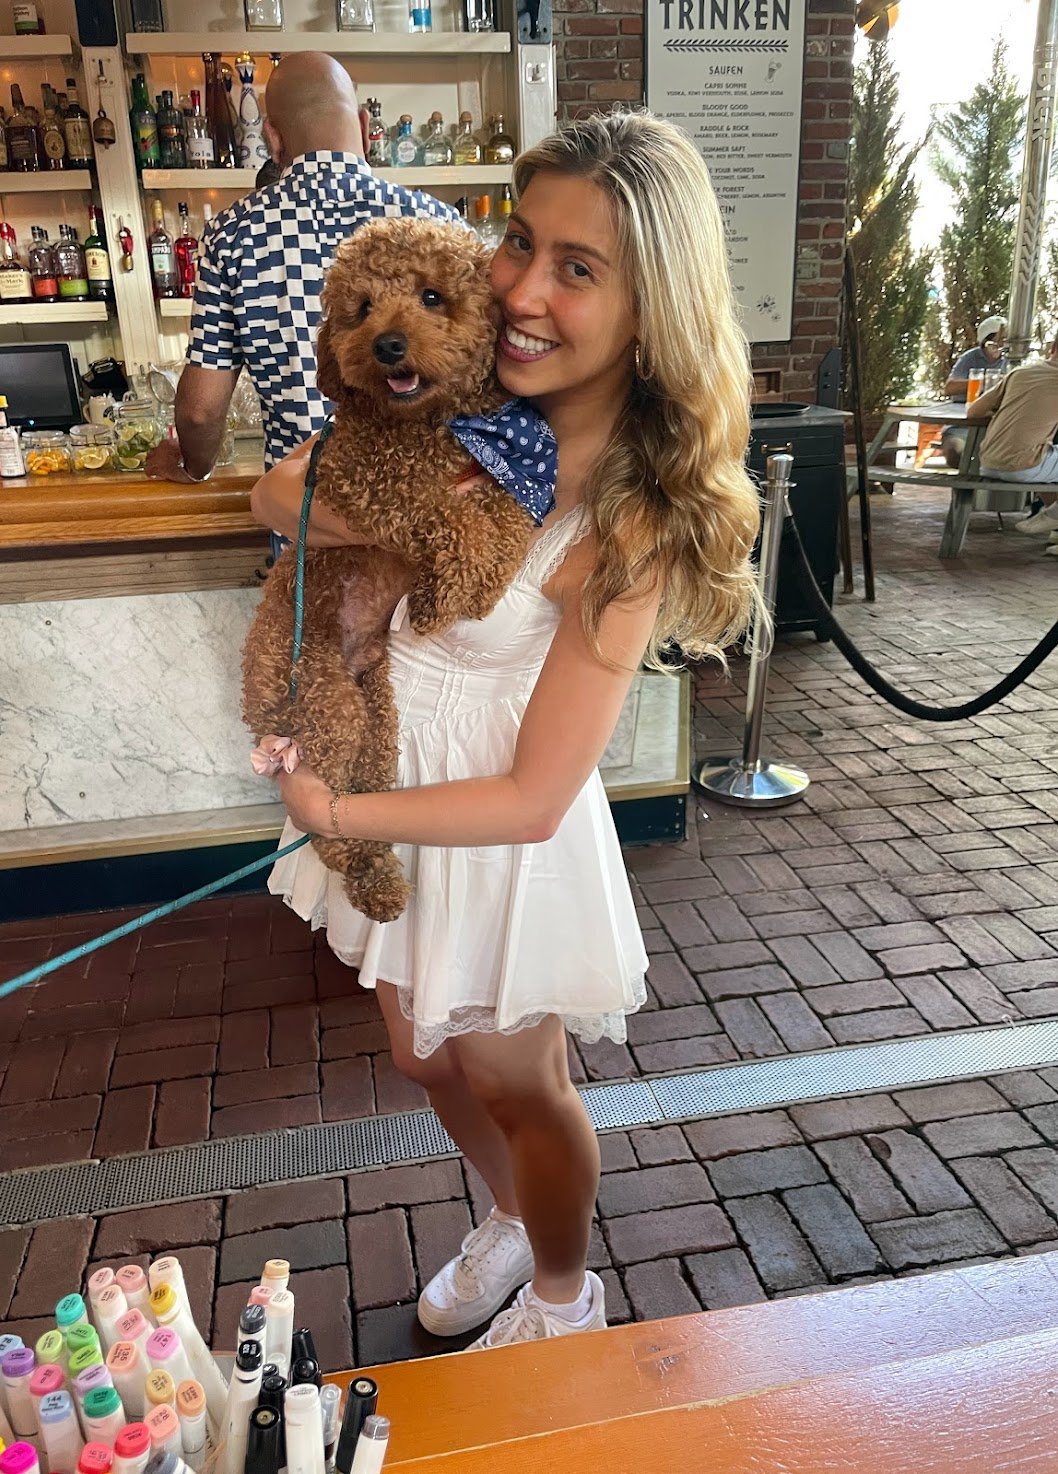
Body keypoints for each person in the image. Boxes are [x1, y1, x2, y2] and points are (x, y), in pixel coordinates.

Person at [250, 111, 760, 1348]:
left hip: (493, 827)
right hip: (396, 779)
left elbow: (535, 794)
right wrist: (391, 514)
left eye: (576, 268)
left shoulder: (627, 519)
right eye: (519, 241)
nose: (522, 290)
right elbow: (276, 488)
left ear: (649, 312)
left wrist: (333, 811)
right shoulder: (454, 401)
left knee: (513, 1076)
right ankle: (510, 1215)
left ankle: (562, 1291)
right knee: (423, 1057)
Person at [144, 53, 458, 486]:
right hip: (427, 493)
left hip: (301, 498)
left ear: (273, 138)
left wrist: (192, 467)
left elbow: (201, 411)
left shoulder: (232, 233)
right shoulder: (438, 223)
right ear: (364, 125)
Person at [967, 334, 1058, 538]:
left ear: (1052, 347)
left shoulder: (1019, 373)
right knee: (1042, 454)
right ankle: (1053, 515)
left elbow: (973, 411)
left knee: (1048, 454)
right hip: (1023, 467)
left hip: (988, 462)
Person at [941, 315, 1007, 469]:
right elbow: (949, 388)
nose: (1000, 346)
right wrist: (985, 382)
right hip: (963, 422)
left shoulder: (1009, 360)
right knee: (955, 452)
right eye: (996, 342)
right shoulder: (970, 358)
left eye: (1003, 342)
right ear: (984, 341)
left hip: (994, 425)